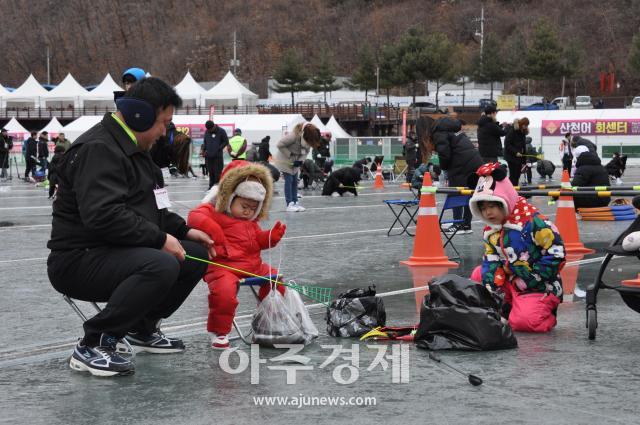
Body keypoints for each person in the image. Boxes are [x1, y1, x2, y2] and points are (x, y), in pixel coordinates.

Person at [47, 77, 214, 377]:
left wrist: (182, 231)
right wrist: (160, 238)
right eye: (163, 123)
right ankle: (93, 343)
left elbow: (151, 207)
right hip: (77, 259)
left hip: (113, 250)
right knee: (161, 264)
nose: (165, 132)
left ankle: (141, 327)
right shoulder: (99, 149)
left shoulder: (134, 150)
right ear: (141, 116)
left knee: (195, 255)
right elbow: (104, 216)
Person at [187, 161, 286, 349]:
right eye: (244, 205)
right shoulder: (214, 210)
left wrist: (271, 237)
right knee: (224, 294)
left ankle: (266, 320)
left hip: (252, 266)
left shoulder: (251, 222)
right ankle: (220, 332)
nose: (247, 211)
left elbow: (258, 241)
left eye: (252, 208)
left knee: (276, 279)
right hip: (223, 266)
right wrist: (212, 228)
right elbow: (194, 216)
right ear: (230, 197)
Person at [469, 162, 565, 332]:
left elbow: (557, 254)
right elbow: (490, 257)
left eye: (492, 206)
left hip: (539, 284)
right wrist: (492, 285)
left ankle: (546, 310)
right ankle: (507, 306)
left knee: (526, 323)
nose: (487, 213)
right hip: (511, 280)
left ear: (505, 200)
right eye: (483, 209)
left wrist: (531, 279)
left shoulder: (535, 223)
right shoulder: (491, 229)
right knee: (479, 274)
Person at [432, 117, 483, 234]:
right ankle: (466, 224)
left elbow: (444, 154)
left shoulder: (441, 133)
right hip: (475, 163)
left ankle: (457, 224)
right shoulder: (457, 133)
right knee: (469, 193)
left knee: (455, 193)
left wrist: (444, 167)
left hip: (460, 165)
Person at [274, 122, 321, 212]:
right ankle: (289, 204)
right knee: (289, 180)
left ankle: (295, 202)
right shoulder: (293, 136)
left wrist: (300, 161)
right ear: (304, 135)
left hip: (295, 162)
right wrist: (290, 155)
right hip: (285, 160)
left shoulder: (309, 140)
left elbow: (306, 151)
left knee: (295, 181)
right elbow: (280, 145)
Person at [202, 120, 229, 188]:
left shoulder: (221, 131)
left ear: (214, 126)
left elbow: (226, 141)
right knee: (211, 172)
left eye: (211, 129)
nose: (209, 130)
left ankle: (217, 187)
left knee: (218, 172)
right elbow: (205, 142)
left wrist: (219, 148)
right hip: (208, 156)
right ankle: (211, 186)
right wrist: (204, 150)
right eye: (208, 129)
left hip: (217, 156)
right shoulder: (207, 132)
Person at [504, 117, 529, 186]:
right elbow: (507, 144)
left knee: (517, 174)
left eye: (527, 126)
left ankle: (515, 189)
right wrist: (515, 152)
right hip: (511, 156)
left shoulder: (522, 132)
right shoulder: (512, 131)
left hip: (519, 157)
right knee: (513, 175)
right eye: (525, 125)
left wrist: (524, 160)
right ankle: (510, 189)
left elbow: (523, 146)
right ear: (521, 124)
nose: (525, 127)